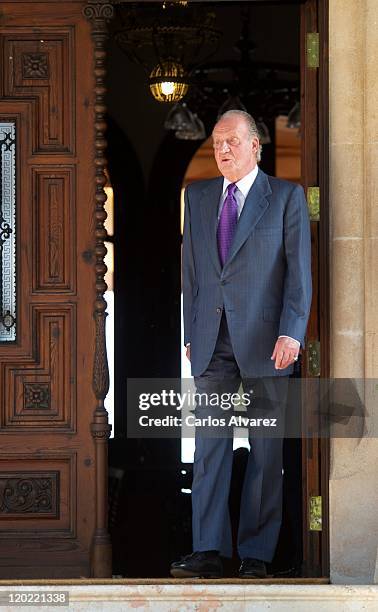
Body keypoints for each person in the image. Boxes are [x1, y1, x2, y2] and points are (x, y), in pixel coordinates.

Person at [171, 110, 312, 578]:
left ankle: (256, 553)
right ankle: (208, 549)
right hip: (212, 341)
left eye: (231, 141)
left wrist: (293, 331)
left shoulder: (286, 198)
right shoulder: (199, 195)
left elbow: (298, 275)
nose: (222, 150)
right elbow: (192, 272)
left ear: (256, 146)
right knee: (209, 448)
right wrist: (191, 332)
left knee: (265, 453)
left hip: (269, 343)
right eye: (216, 143)